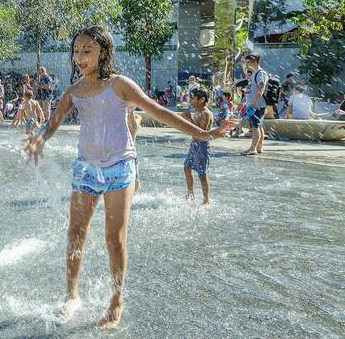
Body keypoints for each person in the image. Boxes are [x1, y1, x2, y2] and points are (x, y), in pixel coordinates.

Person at [24, 26, 235, 329]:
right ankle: (71, 295)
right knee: (76, 232)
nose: (79, 57)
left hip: (120, 167)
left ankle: (116, 300)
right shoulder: (74, 92)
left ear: (103, 53)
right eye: (76, 51)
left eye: (87, 51)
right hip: (86, 168)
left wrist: (202, 133)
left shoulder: (120, 85)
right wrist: (40, 139)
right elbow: (52, 124)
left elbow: (158, 111)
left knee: (114, 239)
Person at [182, 88, 214, 205]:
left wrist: (189, 119)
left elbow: (201, 132)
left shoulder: (206, 113)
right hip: (194, 144)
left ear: (202, 99)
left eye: (193, 98)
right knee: (187, 168)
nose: (190, 100)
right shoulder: (197, 111)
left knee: (202, 174)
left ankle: (206, 200)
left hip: (202, 146)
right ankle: (190, 194)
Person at [242, 53, 268, 156]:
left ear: (256, 62)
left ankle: (253, 149)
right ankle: (259, 147)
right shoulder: (254, 73)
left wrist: (255, 102)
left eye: (249, 62)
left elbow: (261, 87)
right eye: (246, 62)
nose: (247, 64)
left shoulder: (260, 73)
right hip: (253, 104)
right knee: (258, 126)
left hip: (256, 105)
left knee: (255, 127)